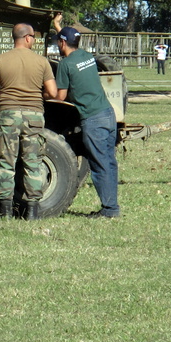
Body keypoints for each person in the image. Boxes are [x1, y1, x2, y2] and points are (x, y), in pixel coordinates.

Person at [0, 23, 57, 220]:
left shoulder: (1, 60)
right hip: (34, 116)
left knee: (6, 162)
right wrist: (35, 95)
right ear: (27, 38)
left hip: (8, 115)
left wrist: (4, 92)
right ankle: (32, 212)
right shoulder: (42, 62)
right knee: (32, 162)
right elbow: (52, 92)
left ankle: (5, 212)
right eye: (33, 37)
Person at [51, 15, 120, 218]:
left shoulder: (65, 65)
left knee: (99, 165)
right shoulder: (87, 57)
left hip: (93, 120)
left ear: (62, 43)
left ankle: (110, 209)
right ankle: (112, 206)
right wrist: (57, 26)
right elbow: (67, 38)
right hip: (108, 115)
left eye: (58, 41)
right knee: (109, 162)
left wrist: (47, 93)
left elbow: (60, 96)